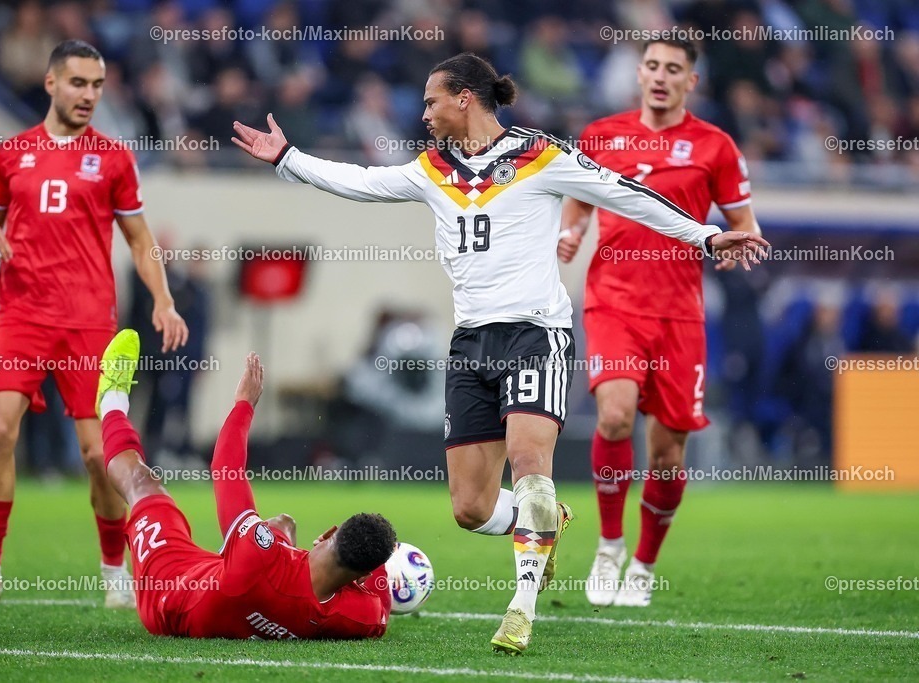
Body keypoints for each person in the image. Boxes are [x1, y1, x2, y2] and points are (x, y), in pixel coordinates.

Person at [231, 52, 768, 653]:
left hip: (535, 334)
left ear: (465, 97)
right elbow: (360, 182)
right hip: (470, 344)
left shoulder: (543, 157)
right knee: (468, 506)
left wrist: (707, 234)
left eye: (432, 101)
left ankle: (522, 605)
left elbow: (627, 194)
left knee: (528, 458)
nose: (425, 113)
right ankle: (545, 522)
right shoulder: (429, 169)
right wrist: (288, 159)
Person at [0, 40, 189, 611]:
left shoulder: (113, 158)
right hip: (21, 313)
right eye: (79, 83)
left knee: (95, 454)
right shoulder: (10, 154)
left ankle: (113, 574)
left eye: (97, 85)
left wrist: (163, 299)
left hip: (88, 320)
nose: (89, 95)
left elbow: (138, 237)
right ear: (51, 83)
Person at [556, 38, 765, 608]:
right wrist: (571, 230)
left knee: (668, 452)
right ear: (640, 73)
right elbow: (576, 198)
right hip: (612, 300)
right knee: (616, 415)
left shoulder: (715, 146)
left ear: (690, 82)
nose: (660, 76)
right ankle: (609, 545)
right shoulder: (601, 135)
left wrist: (738, 245)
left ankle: (645, 564)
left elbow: (742, 220)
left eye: (673, 69)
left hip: (679, 314)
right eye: (652, 66)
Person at [97, 330, 396, 640]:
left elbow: (225, 469)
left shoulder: (258, 553)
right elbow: (380, 609)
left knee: (143, 483)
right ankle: (231, 560)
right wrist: (383, 565)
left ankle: (111, 400)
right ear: (360, 577)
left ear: (331, 533)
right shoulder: (361, 617)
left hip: (172, 595)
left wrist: (244, 404)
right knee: (282, 525)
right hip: (237, 586)